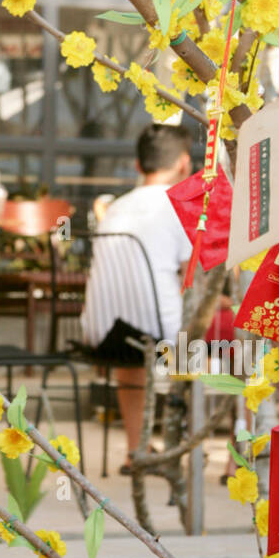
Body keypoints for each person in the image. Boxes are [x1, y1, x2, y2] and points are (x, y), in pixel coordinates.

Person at [80, 123, 194, 474]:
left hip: (102, 338)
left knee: (137, 340)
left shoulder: (114, 209)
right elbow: (194, 279)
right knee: (243, 339)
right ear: (184, 164)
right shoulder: (178, 207)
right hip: (162, 342)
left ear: (137, 166)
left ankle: (137, 450)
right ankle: (240, 462)